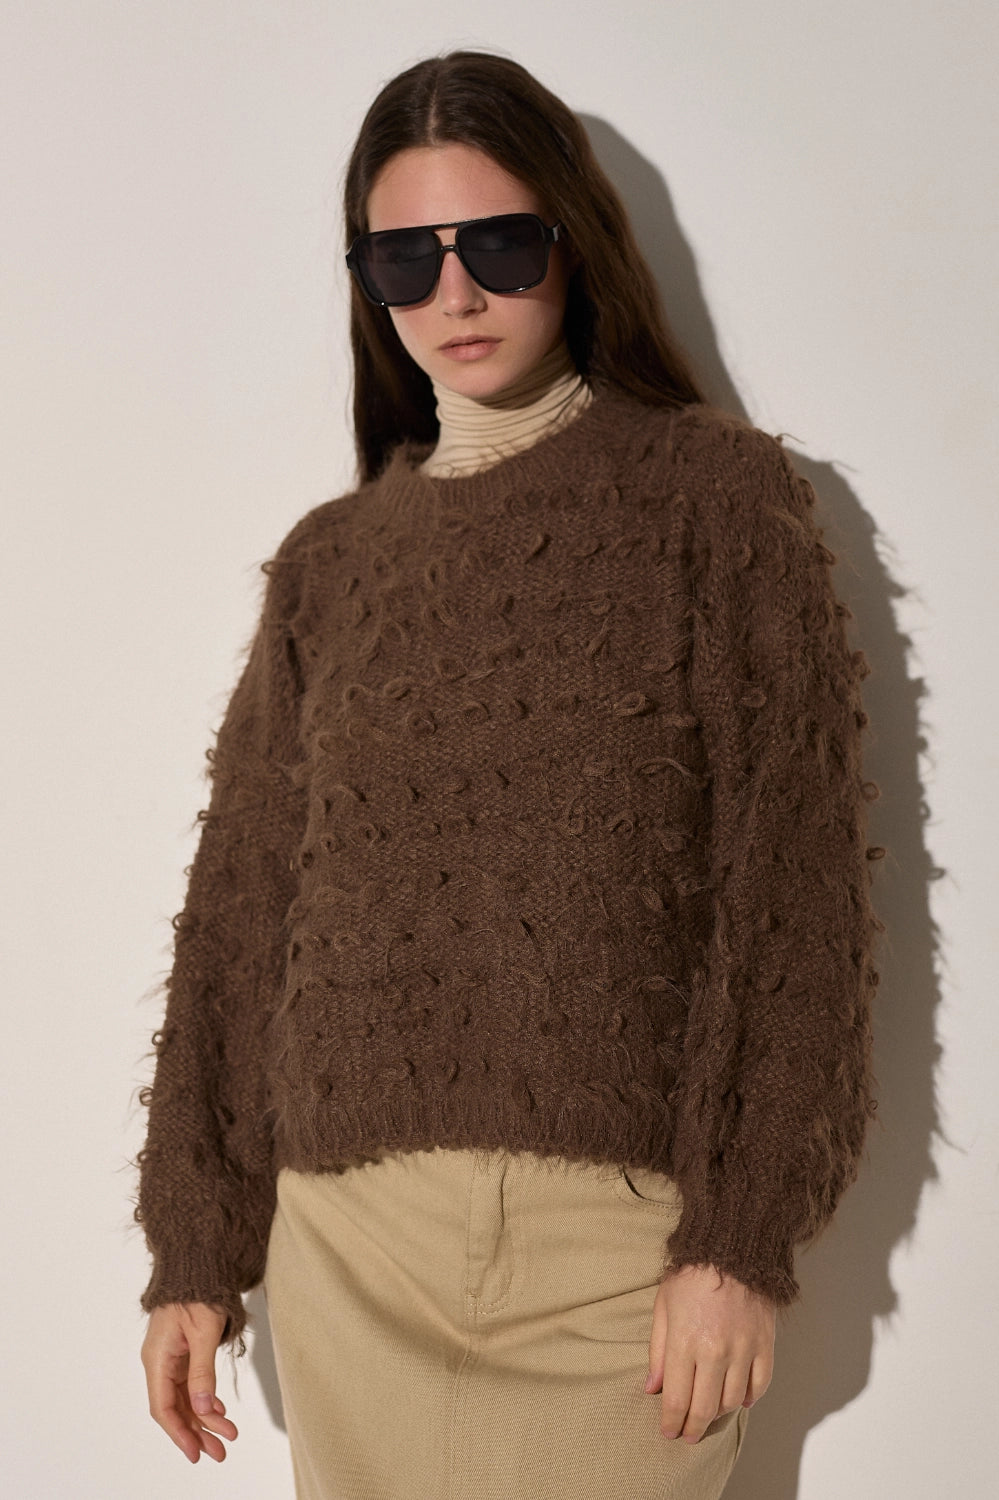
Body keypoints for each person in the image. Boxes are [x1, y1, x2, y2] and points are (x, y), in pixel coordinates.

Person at [135, 49, 884, 1500]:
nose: (455, 293)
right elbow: (240, 917)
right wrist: (195, 1252)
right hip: (350, 1251)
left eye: (498, 244)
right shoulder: (329, 566)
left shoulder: (718, 499)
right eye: (404, 259)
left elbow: (791, 890)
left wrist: (738, 1240)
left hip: (620, 1259)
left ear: (574, 242)